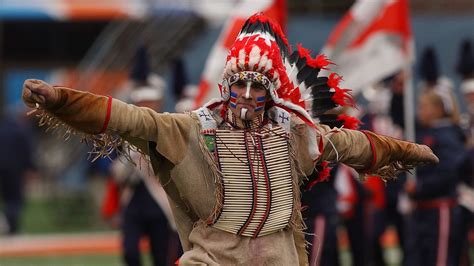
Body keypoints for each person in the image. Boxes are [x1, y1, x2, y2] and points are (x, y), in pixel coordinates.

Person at [21, 13, 438, 265]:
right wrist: (60, 98)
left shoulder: (295, 134)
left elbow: (351, 145)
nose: (248, 95)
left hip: (278, 257)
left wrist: (408, 151)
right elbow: (132, 120)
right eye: (239, 84)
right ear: (227, 84)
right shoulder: (191, 128)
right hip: (212, 258)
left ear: (273, 90)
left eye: (258, 88)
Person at [403, 86, 467, 266]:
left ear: (438, 109)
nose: (419, 111)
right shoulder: (425, 132)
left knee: (439, 259)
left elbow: (449, 172)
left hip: (440, 210)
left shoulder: (447, 136)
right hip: (422, 210)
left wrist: (420, 186)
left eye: (423, 106)